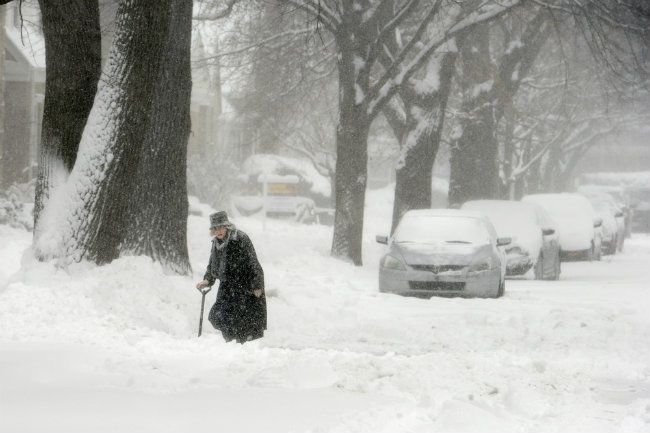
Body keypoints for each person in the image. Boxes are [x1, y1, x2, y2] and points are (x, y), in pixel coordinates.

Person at [196, 211, 267, 343]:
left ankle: (239, 344)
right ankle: (233, 342)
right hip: (227, 287)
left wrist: (257, 285)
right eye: (215, 229)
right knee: (217, 316)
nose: (218, 231)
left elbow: (253, 262)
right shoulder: (216, 243)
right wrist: (207, 280)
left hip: (244, 285)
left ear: (227, 226)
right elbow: (213, 264)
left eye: (221, 227)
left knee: (241, 319)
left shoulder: (240, 238)